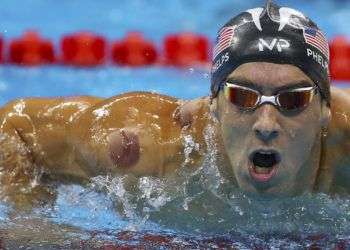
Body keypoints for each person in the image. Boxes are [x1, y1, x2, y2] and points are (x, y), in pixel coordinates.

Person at [0, 1, 349, 207]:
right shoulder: (153, 146)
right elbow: (15, 127)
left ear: (324, 110)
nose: (266, 123)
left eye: (293, 100)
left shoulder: (343, 147)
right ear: (213, 105)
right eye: (242, 97)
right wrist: (31, 224)